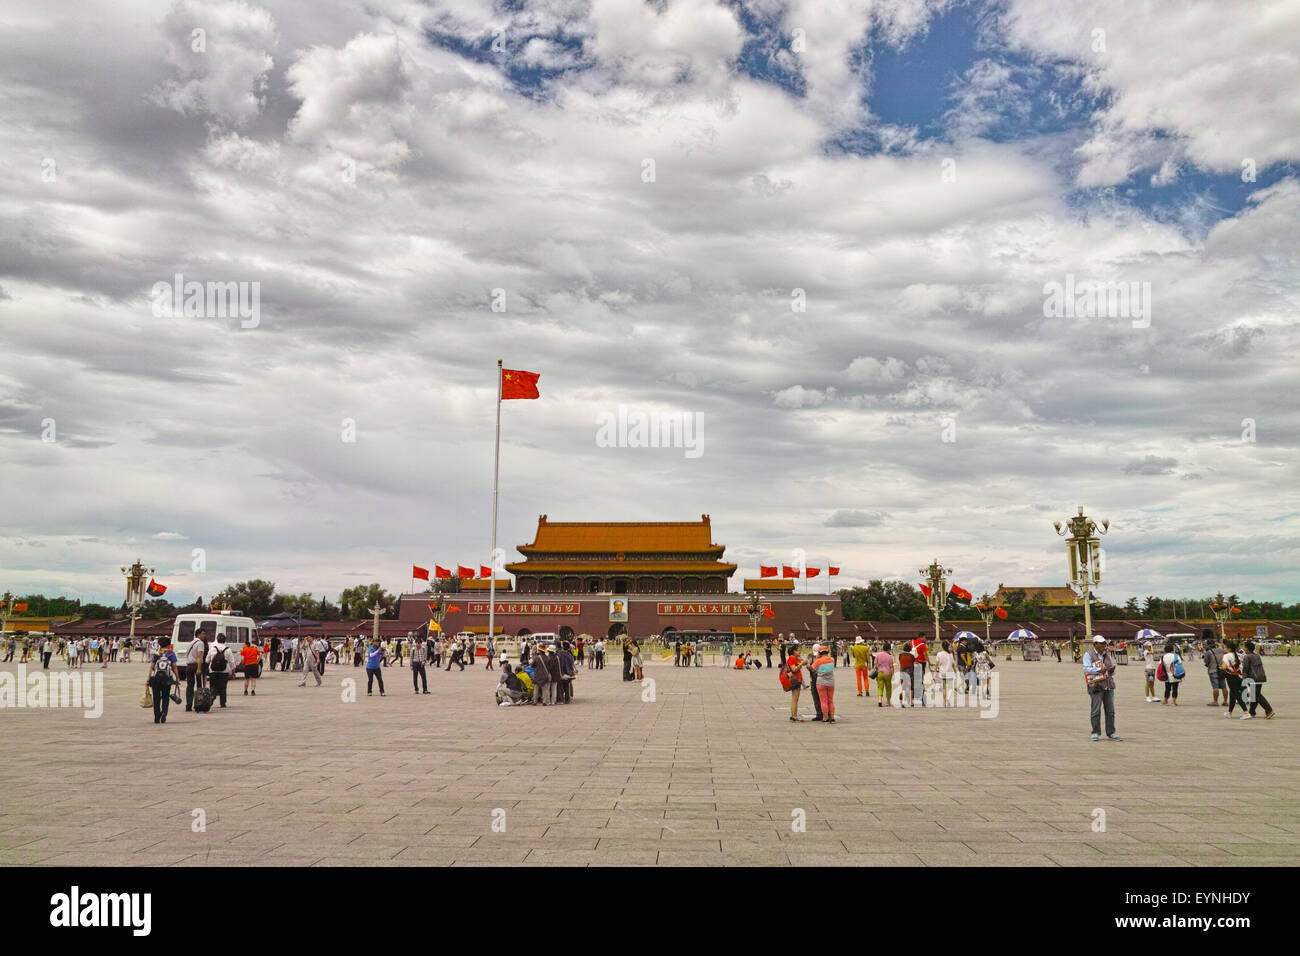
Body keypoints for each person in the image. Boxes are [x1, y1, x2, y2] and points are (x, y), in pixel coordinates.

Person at [1082, 635, 1121, 741]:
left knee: (1110, 711)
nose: (1103, 646)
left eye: (1104, 644)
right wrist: (1099, 669)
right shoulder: (1088, 654)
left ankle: (1111, 732)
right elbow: (1086, 668)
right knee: (1095, 710)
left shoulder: (1107, 654)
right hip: (1096, 686)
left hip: (1108, 684)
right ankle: (1095, 732)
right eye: (1101, 644)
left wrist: (1111, 670)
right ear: (1095, 644)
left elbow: (1112, 667)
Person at [147, 638, 180, 724]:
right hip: (167, 679)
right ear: (169, 644)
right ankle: (164, 712)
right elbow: (174, 667)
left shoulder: (156, 654)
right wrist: (177, 678)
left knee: (156, 698)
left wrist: (148, 679)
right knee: (165, 697)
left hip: (156, 679)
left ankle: (157, 717)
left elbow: (152, 667)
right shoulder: (171, 654)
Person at [1240, 641, 1275, 720]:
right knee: (1254, 695)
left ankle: (1269, 710)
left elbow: (1245, 668)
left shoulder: (1247, 657)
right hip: (1260, 677)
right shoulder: (1257, 655)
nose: (1243, 648)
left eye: (1244, 647)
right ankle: (1252, 712)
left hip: (1253, 678)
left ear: (1247, 649)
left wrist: (1243, 678)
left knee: (1257, 695)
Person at [184, 626, 210, 711]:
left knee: (190, 686)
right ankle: (199, 704)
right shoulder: (200, 643)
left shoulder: (191, 642)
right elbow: (199, 656)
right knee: (199, 687)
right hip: (196, 665)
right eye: (203, 634)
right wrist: (199, 669)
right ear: (198, 634)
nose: (204, 635)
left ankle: (188, 706)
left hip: (189, 665)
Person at [1220, 640, 1247, 716]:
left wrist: (1221, 667)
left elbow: (1224, 666)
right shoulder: (1237, 655)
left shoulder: (1226, 655)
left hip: (1231, 677)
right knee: (1232, 694)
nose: (1224, 648)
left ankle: (1246, 712)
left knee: (1237, 695)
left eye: (1225, 647)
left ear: (1229, 648)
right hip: (1238, 676)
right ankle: (1230, 712)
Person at [206, 634, 233, 708]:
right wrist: (232, 670)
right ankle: (223, 703)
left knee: (213, 686)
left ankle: (211, 697)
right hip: (224, 671)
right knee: (223, 687)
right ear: (225, 640)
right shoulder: (228, 649)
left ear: (217, 639)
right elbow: (232, 662)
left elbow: (207, 660)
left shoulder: (212, 648)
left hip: (213, 671)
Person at [812, 644, 836, 722]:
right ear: (827, 652)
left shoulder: (818, 661)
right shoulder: (832, 659)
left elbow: (812, 667)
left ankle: (825, 717)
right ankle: (832, 717)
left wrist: (817, 657)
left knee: (823, 701)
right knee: (830, 700)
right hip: (831, 683)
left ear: (820, 652)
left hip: (821, 682)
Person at [1201, 632, 1225, 706]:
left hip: (1212, 670)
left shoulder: (1209, 652)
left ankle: (1215, 701)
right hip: (1222, 670)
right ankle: (1226, 701)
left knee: (1215, 687)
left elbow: (1206, 661)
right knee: (1224, 687)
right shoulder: (1221, 650)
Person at [1159, 641, 1183, 705]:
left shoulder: (1163, 657)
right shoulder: (1176, 656)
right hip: (1176, 674)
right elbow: (1180, 664)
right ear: (1172, 650)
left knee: (1167, 688)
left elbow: (1161, 666)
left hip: (1167, 675)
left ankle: (1165, 700)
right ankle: (1174, 701)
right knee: (1175, 688)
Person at [785, 646, 805, 721]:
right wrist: (801, 664)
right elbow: (794, 669)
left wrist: (803, 662)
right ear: (793, 651)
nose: (799, 652)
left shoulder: (796, 658)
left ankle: (793, 715)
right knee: (795, 699)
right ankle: (794, 716)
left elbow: (803, 663)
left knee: (795, 699)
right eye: (797, 651)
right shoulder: (792, 658)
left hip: (797, 680)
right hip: (795, 680)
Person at [935, 641, 956, 707]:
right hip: (949, 671)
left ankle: (944, 701)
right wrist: (956, 671)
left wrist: (935, 670)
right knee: (950, 687)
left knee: (944, 688)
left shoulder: (939, 654)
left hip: (942, 672)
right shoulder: (950, 654)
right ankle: (948, 699)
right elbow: (953, 664)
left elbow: (937, 663)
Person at [911, 633, 928, 707]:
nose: (925, 639)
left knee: (913, 680)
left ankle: (912, 697)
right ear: (922, 637)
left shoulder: (911, 642)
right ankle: (921, 698)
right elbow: (925, 655)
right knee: (920, 681)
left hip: (913, 663)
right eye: (925, 637)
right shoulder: (922, 645)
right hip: (921, 663)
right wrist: (929, 662)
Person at [898, 643, 915, 707]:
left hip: (902, 671)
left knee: (903, 687)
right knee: (910, 687)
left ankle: (903, 702)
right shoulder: (911, 656)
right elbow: (913, 662)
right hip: (910, 672)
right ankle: (911, 702)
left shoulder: (900, 655)